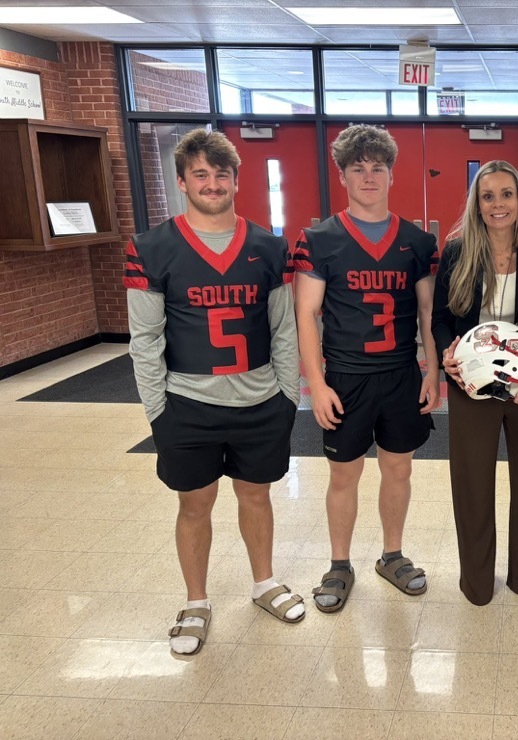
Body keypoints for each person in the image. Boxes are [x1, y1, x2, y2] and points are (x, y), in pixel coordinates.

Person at [124, 128, 304, 656]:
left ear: (235, 180)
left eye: (221, 174)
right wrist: (158, 410)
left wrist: (286, 398)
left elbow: (283, 331)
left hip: (259, 400)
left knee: (256, 494)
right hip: (187, 404)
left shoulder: (269, 247)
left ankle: (264, 582)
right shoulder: (152, 248)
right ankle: (197, 600)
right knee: (194, 503)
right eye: (200, 174)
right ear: (182, 181)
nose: (212, 183)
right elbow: (145, 339)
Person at [293, 124, 440, 613]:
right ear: (343, 176)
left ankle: (391, 555)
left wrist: (432, 371)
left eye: (378, 167)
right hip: (346, 377)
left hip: (400, 373)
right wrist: (315, 383)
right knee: (343, 474)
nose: (369, 176)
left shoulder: (417, 240)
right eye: (359, 168)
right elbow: (306, 315)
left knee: (399, 468)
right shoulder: (319, 238)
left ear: (392, 176)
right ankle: (339, 564)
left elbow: (426, 313)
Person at [433, 160, 518, 606]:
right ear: (477, 204)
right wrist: (448, 353)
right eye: (488, 196)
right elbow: (441, 319)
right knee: (471, 485)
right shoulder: (456, 252)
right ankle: (477, 583)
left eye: (506, 194)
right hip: (471, 386)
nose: (498, 204)